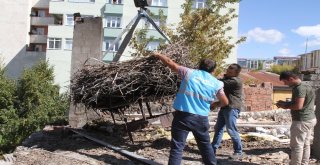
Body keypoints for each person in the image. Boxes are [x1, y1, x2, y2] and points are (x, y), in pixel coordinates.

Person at [152, 52, 229, 165]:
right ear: (213, 70)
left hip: (182, 117)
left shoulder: (189, 73)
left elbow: (169, 63)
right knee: (205, 146)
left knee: (177, 147)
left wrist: (158, 55)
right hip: (201, 119)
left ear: (199, 66)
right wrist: (214, 105)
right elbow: (225, 102)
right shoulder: (217, 83)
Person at [276, 71, 316, 165]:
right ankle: (304, 163)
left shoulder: (299, 89)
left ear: (291, 79)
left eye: (285, 82)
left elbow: (298, 106)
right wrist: (286, 103)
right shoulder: (307, 86)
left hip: (301, 121)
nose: (285, 84)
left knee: (296, 146)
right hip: (310, 119)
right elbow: (302, 102)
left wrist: (284, 106)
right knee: (306, 144)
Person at [211, 63, 243, 159]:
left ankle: (238, 151)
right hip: (225, 107)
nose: (227, 72)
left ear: (236, 73)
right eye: (228, 70)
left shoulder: (235, 81)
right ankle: (212, 149)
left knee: (231, 130)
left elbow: (218, 83)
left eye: (230, 71)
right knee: (218, 129)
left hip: (232, 108)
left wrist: (208, 75)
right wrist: (217, 104)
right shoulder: (228, 79)